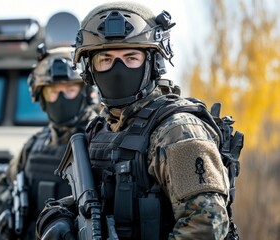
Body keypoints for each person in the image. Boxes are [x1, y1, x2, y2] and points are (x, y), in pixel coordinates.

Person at [35, 2, 237, 240]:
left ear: (153, 62)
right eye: (106, 59)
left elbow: (206, 226)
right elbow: (97, 202)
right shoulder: (102, 128)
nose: (118, 69)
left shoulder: (177, 130)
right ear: (89, 69)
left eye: (131, 57)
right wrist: (60, 216)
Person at [0, 45, 98, 240]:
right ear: (40, 97)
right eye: (53, 91)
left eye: (70, 90)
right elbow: (4, 183)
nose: (60, 99)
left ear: (86, 92)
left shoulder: (103, 140)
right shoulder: (33, 145)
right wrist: (7, 209)